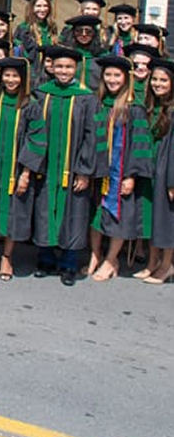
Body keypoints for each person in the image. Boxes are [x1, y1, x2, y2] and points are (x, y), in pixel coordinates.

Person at [31, 46, 101, 285]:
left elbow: (92, 137)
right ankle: (46, 258)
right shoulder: (42, 93)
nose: (63, 71)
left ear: (76, 69)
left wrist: (84, 171)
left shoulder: (87, 97)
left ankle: (69, 263)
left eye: (69, 67)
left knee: (74, 214)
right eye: (59, 66)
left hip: (73, 168)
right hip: (47, 166)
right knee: (44, 211)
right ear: (51, 67)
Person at [0, 59, 45, 282]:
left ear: (23, 78)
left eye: (15, 76)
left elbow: (36, 140)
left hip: (15, 170)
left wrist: (26, 173)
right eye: (7, 75)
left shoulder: (30, 104)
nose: (11, 80)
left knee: (14, 214)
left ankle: (7, 256)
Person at [87, 56, 152, 282]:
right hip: (99, 171)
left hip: (121, 172)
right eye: (108, 75)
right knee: (96, 215)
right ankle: (96, 254)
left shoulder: (134, 108)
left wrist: (131, 176)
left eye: (117, 75)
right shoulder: (99, 102)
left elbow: (140, 145)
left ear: (126, 78)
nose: (112, 79)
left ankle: (111, 259)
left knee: (118, 218)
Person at [141, 58, 174, 283]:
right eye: (155, 79)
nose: (158, 84)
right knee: (154, 217)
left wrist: (172, 180)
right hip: (153, 166)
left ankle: (166, 266)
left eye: (163, 80)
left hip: (167, 168)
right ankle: (152, 263)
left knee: (167, 219)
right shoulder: (153, 105)